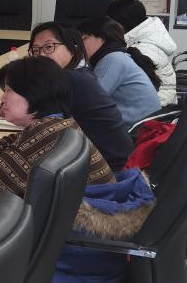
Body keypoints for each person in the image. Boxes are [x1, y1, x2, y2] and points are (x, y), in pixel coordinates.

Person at [0, 57, 116, 197]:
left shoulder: (46, 135)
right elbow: (22, 143)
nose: (2, 98)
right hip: (92, 210)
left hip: (87, 219)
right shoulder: (58, 123)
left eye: (9, 90)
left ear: (34, 93)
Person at [24, 22, 134, 171]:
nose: (41, 55)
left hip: (108, 170)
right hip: (111, 162)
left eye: (49, 47)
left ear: (72, 48)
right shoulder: (79, 73)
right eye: (36, 50)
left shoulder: (70, 80)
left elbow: (37, 125)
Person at [77, 17, 161, 127]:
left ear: (102, 39)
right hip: (142, 125)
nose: (80, 44)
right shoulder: (117, 56)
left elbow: (91, 100)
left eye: (84, 38)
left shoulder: (112, 59)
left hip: (138, 130)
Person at [107, 0, 178, 106]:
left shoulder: (142, 49)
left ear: (122, 22)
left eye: (111, 21)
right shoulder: (147, 37)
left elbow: (134, 91)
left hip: (155, 108)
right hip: (162, 102)